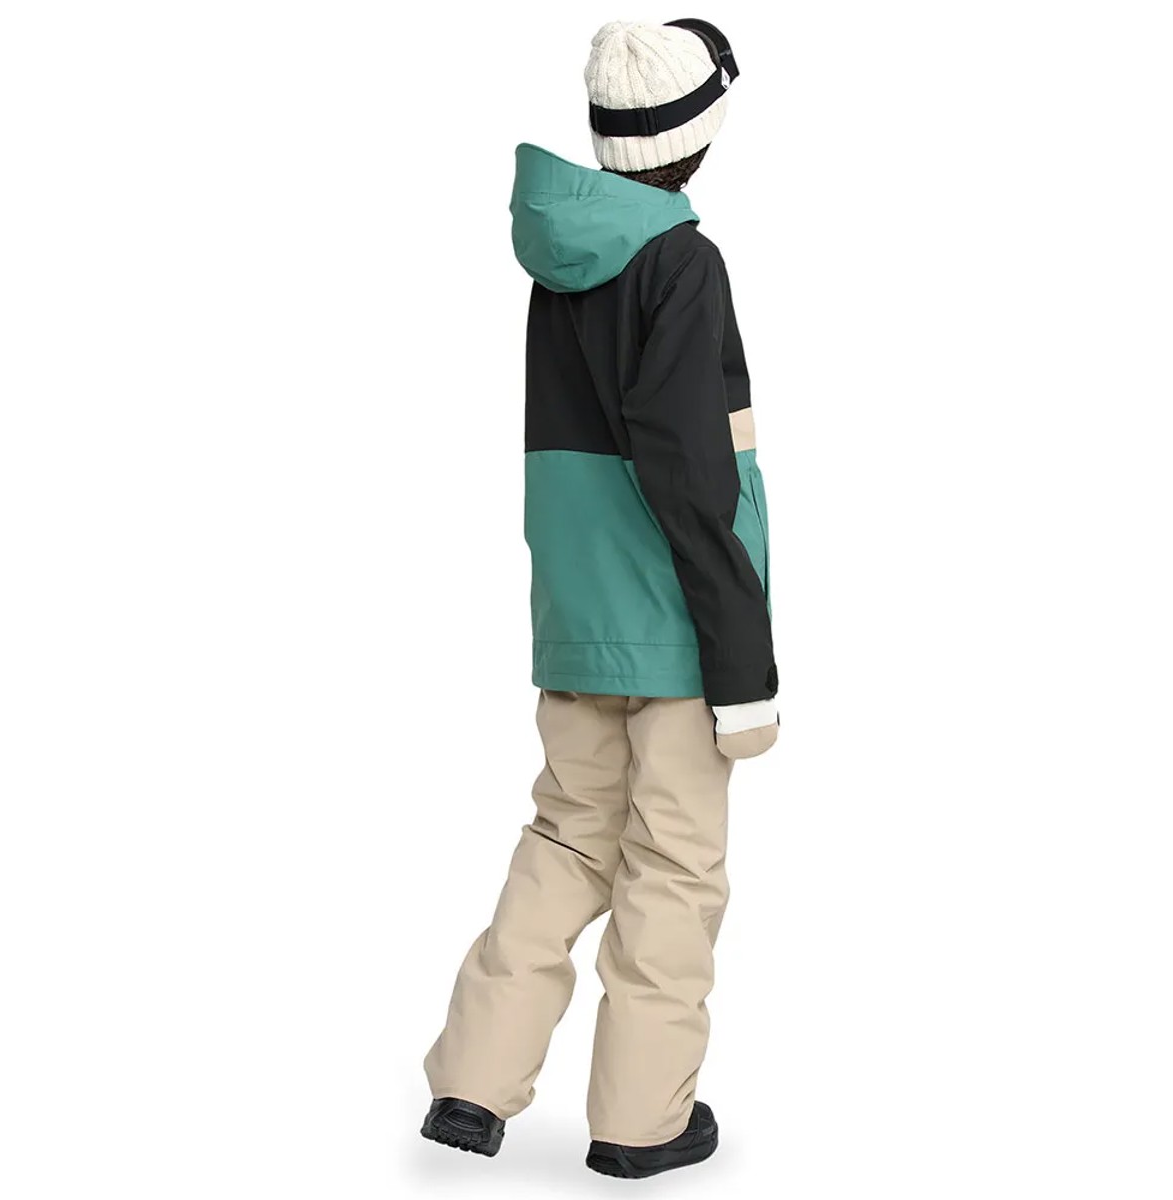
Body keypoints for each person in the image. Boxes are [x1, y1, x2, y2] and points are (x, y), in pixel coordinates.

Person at [420, 18, 779, 1179]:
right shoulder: (681, 263)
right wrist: (744, 666)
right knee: (673, 866)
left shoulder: (564, 260)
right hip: (675, 634)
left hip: (575, 621)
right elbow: (690, 477)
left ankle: (471, 1085)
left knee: (568, 834)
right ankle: (641, 1121)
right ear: (699, 135)